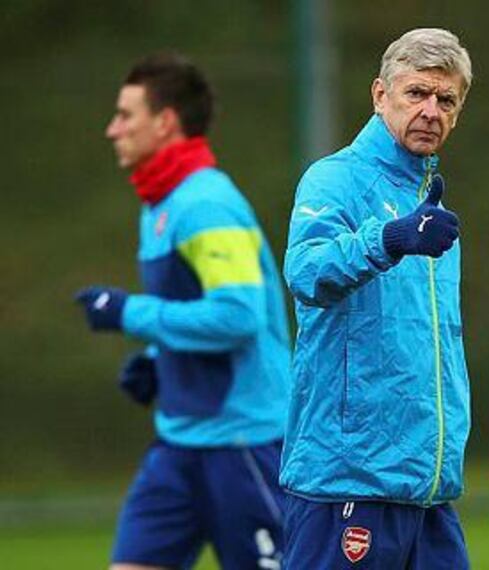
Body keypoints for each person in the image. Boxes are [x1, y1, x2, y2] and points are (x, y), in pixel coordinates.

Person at [75, 53, 291, 570]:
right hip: (179, 443)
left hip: (244, 442)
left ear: (165, 121)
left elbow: (239, 316)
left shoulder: (204, 205)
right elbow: (192, 307)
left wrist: (130, 314)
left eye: (126, 115)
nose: (112, 130)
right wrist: (158, 358)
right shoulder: (160, 204)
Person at [280, 28, 472, 569]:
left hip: (427, 488)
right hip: (349, 481)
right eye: (416, 93)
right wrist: (388, 239)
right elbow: (306, 271)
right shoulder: (334, 179)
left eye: (446, 99)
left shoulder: (429, 201)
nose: (431, 110)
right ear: (379, 95)